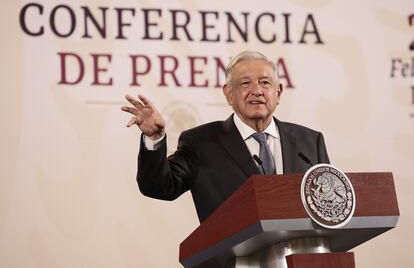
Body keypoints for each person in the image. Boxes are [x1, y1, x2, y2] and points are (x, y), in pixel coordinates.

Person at [121, 51, 330, 223]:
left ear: (279, 92)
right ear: (229, 94)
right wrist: (154, 138)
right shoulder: (201, 143)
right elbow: (159, 187)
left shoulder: (310, 142)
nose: (256, 90)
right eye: (245, 84)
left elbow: (328, 209)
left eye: (265, 83)